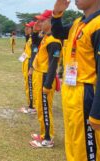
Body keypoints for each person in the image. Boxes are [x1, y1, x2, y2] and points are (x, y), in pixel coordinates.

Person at [51, 0, 100, 161]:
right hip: (71, 90)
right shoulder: (80, 22)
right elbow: (58, 32)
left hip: (87, 94)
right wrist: (57, 14)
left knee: (87, 151)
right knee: (74, 143)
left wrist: (97, 112)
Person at [29, 10, 62, 148]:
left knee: (45, 109)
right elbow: (34, 44)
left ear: (50, 21)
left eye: (42, 21)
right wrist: (35, 31)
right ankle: (43, 134)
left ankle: (48, 139)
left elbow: (52, 66)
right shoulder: (46, 37)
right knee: (41, 108)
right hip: (39, 74)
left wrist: (47, 85)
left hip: (45, 77)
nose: (39, 23)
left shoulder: (54, 41)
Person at [20, 21, 37, 114]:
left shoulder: (34, 39)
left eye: (28, 28)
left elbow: (34, 53)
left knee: (30, 85)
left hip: (30, 62)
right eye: (25, 28)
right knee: (27, 84)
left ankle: (32, 106)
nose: (26, 29)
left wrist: (31, 67)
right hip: (26, 62)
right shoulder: (29, 38)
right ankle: (30, 103)